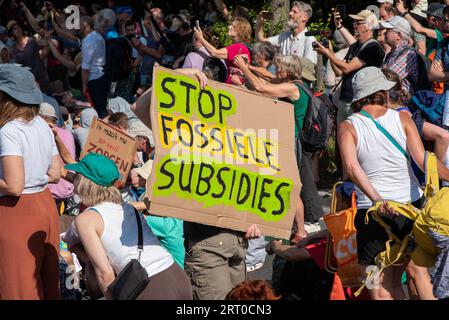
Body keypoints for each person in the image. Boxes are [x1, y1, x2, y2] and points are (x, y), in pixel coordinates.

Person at [338, 66, 449, 300]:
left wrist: (378, 198)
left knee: (376, 286)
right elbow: (423, 161)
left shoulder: (348, 126)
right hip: (409, 207)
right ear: (382, 91)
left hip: (372, 212)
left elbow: (351, 168)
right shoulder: (402, 117)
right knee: (404, 275)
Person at [62, 153, 192, 300]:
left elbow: (105, 274)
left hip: (150, 287)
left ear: (84, 181)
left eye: (78, 174)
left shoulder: (86, 219)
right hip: (176, 276)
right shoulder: (128, 209)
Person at [0, 64, 61, 299]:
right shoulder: (41, 125)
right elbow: (55, 173)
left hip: (17, 211)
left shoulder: (9, 130)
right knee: (47, 283)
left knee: (18, 287)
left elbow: (14, 185)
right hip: (45, 204)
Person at [313, 9, 385, 125]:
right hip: (345, 99)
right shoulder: (355, 46)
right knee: (341, 137)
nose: (354, 25)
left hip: (360, 100)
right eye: (354, 22)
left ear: (368, 26)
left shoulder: (373, 47)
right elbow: (339, 72)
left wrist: (327, 54)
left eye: (358, 22)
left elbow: (347, 68)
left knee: (355, 137)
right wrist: (330, 51)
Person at [39, 102, 76, 213]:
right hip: (67, 188)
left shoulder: (41, 134)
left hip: (51, 188)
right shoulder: (67, 133)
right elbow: (68, 159)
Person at [194, 17, 252, 85]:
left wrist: (201, 38)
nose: (229, 27)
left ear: (240, 30)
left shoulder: (238, 47)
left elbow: (214, 53)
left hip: (234, 87)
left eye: (233, 26)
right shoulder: (243, 47)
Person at [7, 20, 51, 94]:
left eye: (18, 27)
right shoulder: (13, 49)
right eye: (14, 29)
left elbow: (47, 43)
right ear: (12, 33)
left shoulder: (32, 40)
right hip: (31, 82)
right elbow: (19, 67)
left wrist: (44, 53)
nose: (17, 30)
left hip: (42, 77)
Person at [380, 16, 420, 96]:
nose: (384, 33)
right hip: (392, 101)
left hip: (401, 104)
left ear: (399, 35)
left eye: (388, 30)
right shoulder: (393, 53)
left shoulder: (408, 54)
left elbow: (387, 79)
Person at [80, 16, 108, 118]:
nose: (78, 26)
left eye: (80, 24)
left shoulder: (88, 41)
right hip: (101, 76)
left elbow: (85, 67)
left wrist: (84, 85)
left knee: (98, 111)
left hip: (94, 79)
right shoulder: (98, 36)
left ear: (85, 25)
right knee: (102, 108)